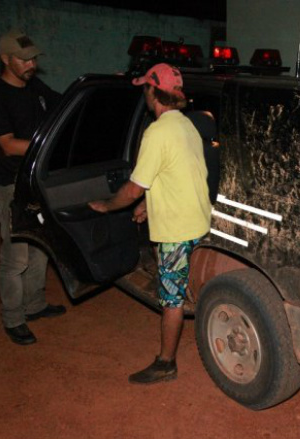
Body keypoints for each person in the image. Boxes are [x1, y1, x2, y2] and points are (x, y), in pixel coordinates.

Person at [89, 63, 211, 385]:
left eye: (145, 87)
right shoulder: (186, 125)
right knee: (188, 285)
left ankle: (166, 363)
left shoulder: (156, 132)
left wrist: (108, 205)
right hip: (198, 222)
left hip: (176, 231)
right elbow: (178, 175)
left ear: (154, 92)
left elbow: (131, 188)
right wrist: (148, 204)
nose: (144, 92)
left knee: (170, 298)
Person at [0, 29, 66, 346]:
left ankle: (35, 305)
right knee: (16, 258)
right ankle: (13, 318)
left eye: (34, 58)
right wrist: (47, 146)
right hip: (11, 185)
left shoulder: (35, 87)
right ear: (5, 59)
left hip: (37, 182)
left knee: (40, 249)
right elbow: (7, 145)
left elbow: (64, 103)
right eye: (24, 59)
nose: (31, 64)